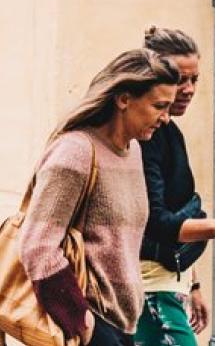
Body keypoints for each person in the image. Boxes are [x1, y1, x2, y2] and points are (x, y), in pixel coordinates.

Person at [18, 49, 182, 346]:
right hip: (93, 326)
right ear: (123, 99)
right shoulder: (76, 152)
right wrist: (84, 325)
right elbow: (37, 247)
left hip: (124, 324)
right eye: (159, 106)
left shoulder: (134, 153)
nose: (166, 119)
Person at [134, 27, 215, 346]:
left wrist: (192, 285)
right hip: (150, 291)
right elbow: (155, 221)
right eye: (180, 80)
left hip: (168, 289)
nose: (188, 89)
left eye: (195, 80)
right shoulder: (146, 138)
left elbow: (173, 212)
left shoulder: (169, 133)